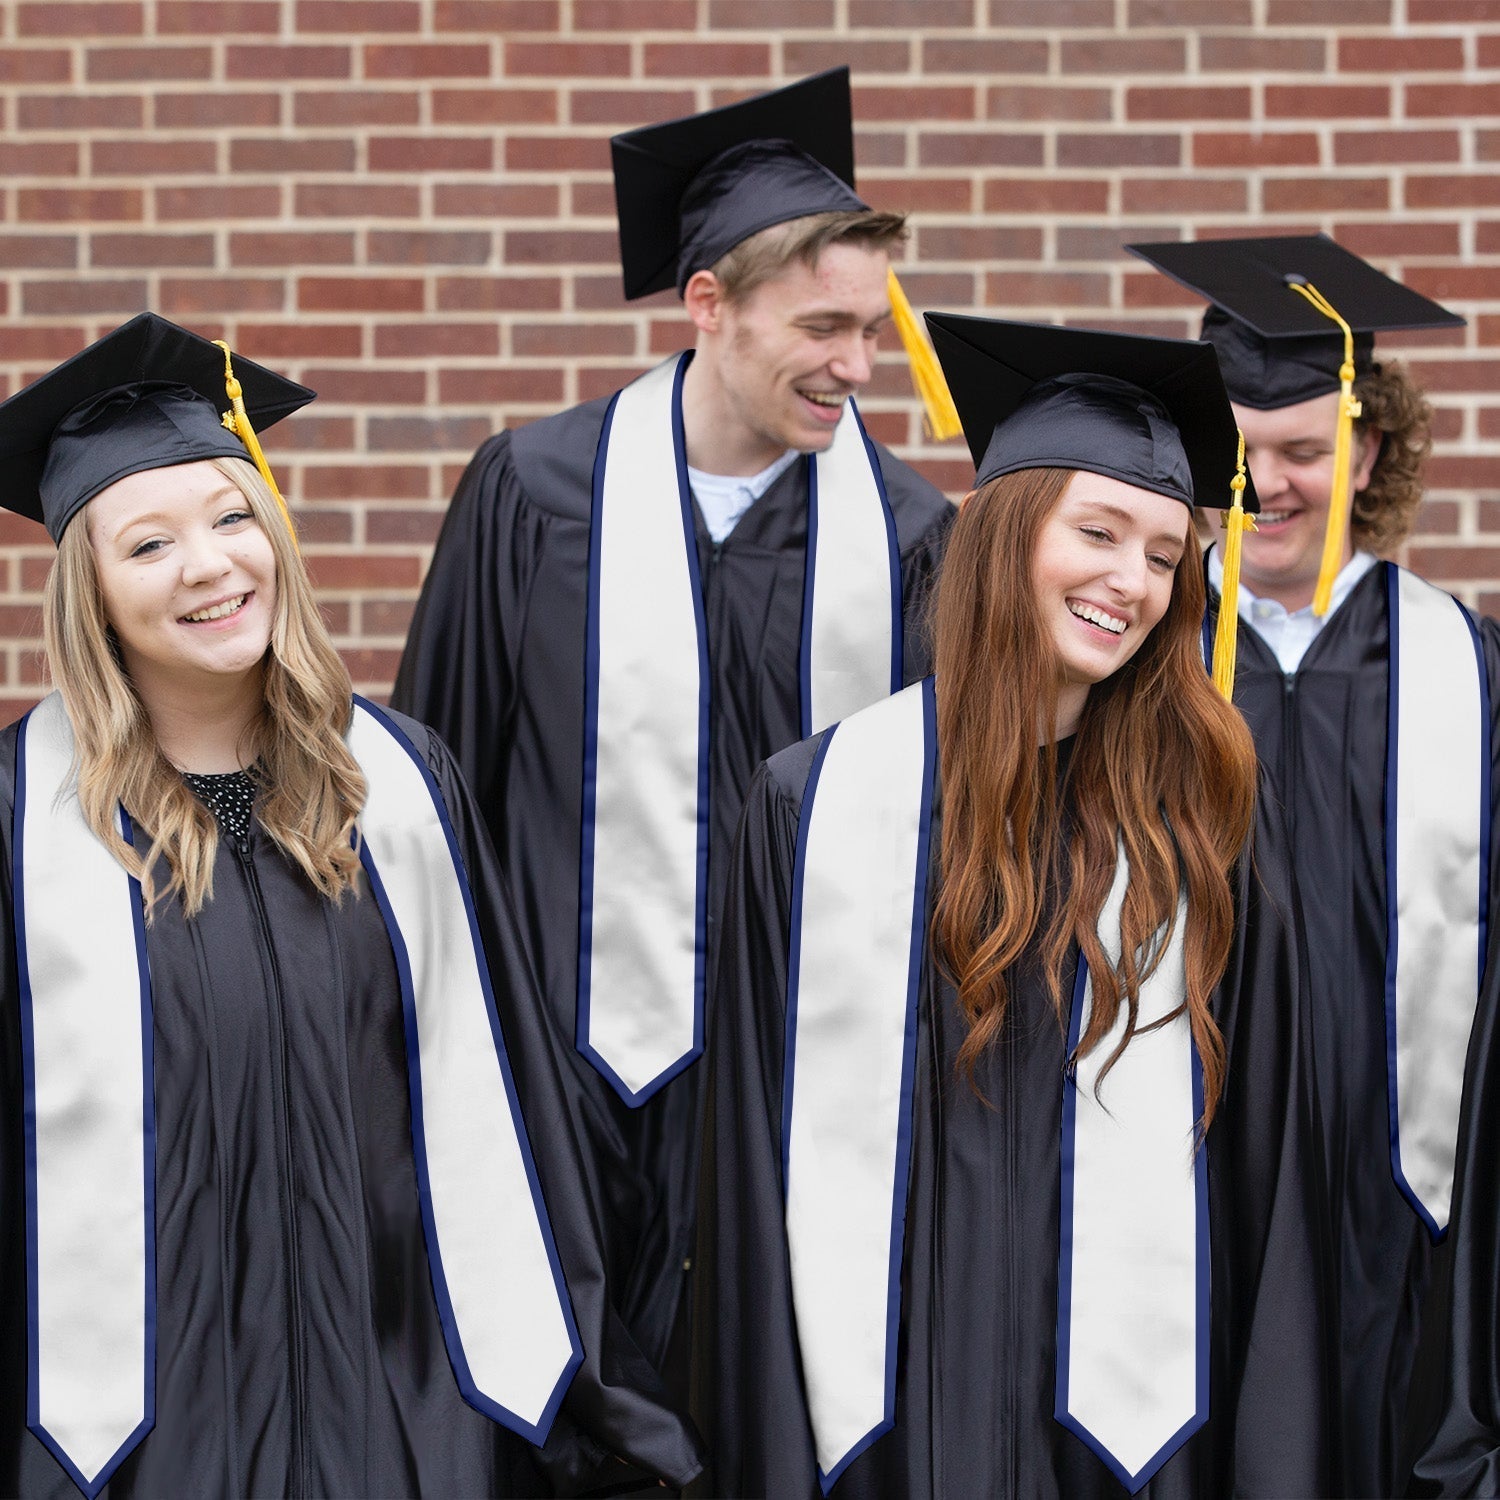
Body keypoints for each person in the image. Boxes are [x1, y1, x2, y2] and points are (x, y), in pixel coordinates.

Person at [0, 312, 704, 1499]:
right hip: (147, 1429)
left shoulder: (404, 784)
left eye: (234, 518)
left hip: (408, 1396)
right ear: (94, 598)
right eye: (150, 544)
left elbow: (513, 1097)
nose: (213, 565)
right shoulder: (26, 825)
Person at [691, 314, 1330, 1498]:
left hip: (1138, 1455)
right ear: (1002, 534)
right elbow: (746, 1174)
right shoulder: (815, 804)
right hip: (887, 1442)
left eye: (1163, 553)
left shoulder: (1208, 823)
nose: (1130, 582)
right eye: (1097, 532)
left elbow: (1269, 1187)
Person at [391, 67, 954, 1393]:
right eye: (823, 327)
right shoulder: (534, 494)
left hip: (802, 1085)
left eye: (873, 330)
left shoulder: (915, 540)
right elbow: (437, 781)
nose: (858, 367)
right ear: (710, 303)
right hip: (559, 1080)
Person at [1130, 234, 1498, 1497]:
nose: (1269, 484)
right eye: (1242, 451)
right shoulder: (1146, 660)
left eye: (1306, 450)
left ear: (1371, 451)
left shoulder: (1466, 668)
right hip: (1185, 1159)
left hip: (1402, 1173)